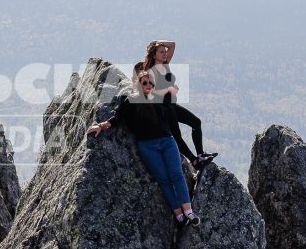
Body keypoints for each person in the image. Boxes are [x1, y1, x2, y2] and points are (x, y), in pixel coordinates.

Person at [87, 67, 198, 225]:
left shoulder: (159, 98)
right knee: (164, 180)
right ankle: (179, 215)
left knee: (176, 175)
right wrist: (101, 126)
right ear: (138, 84)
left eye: (151, 83)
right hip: (147, 146)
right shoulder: (131, 101)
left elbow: (171, 102)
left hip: (167, 142)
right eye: (144, 82)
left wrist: (171, 91)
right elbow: (117, 118)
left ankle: (189, 213)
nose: (148, 85)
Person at [140, 39, 214, 167]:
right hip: (162, 108)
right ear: (154, 55)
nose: (165, 53)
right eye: (161, 52)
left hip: (171, 105)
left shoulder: (165, 64)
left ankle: (200, 155)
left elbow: (173, 45)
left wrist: (156, 42)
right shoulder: (150, 71)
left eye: (165, 51)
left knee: (196, 122)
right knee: (177, 136)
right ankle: (194, 161)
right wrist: (169, 89)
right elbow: (152, 93)